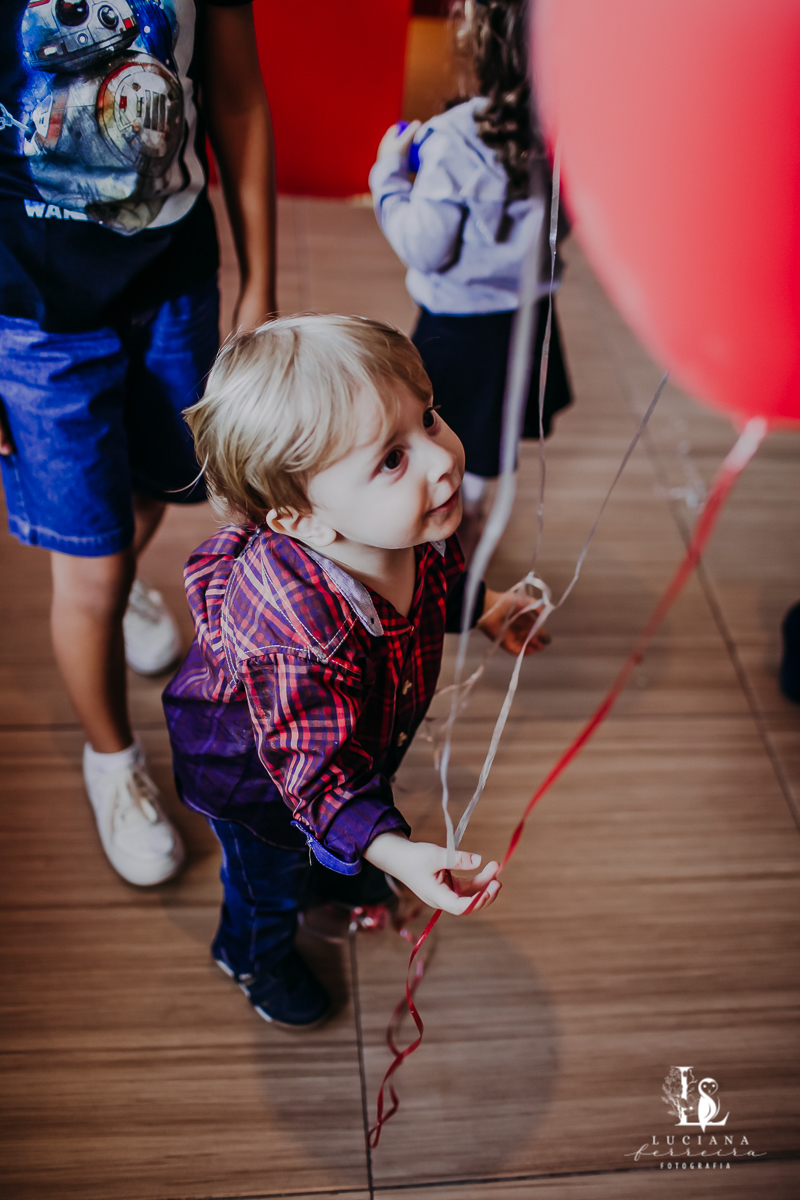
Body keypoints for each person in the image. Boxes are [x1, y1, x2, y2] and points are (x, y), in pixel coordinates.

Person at [162, 314, 547, 1028]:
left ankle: (345, 863)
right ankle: (250, 953)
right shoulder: (296, 636)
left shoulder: (412, 524)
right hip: (261, 787)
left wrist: (488, 605)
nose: (440, 460)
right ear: (303, 519)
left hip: (353, 743)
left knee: (350, 820)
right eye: (392, 458)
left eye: (428, 419)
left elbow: (442, 581)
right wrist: (399, 853)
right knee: (270, 884)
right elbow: (318, 777)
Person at [0, 0, 276, 886]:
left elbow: (236, 101)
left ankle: (120, 593)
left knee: (168, 483)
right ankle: (112, 759)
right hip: (31, 313)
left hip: (173, 287)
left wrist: (258, 281)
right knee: (94, 564)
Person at [369, 0, 571, 559]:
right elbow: (568, 224)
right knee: (492, 433)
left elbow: (426, 249)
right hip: (528, 321)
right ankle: (475, 519)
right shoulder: (570, 125)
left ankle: (443, 542)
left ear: (478, 41)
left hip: (454, 330)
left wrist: (388, 179)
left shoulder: (454, 137)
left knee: (441, 426)